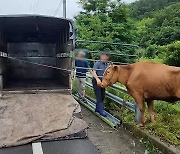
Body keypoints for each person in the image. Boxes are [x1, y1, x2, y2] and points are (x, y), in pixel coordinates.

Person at [92, 52, 110, 117]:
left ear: (107, 57)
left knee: (102, 95)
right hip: (97, 81)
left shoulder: (107, 65)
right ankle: (101, 110)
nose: (103, 58)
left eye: (105, 56)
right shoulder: (98, 63)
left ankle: (97, 109)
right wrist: (97, 79)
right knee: (98, 96)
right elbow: (93, 72)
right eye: (102, 56)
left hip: (103, 82)